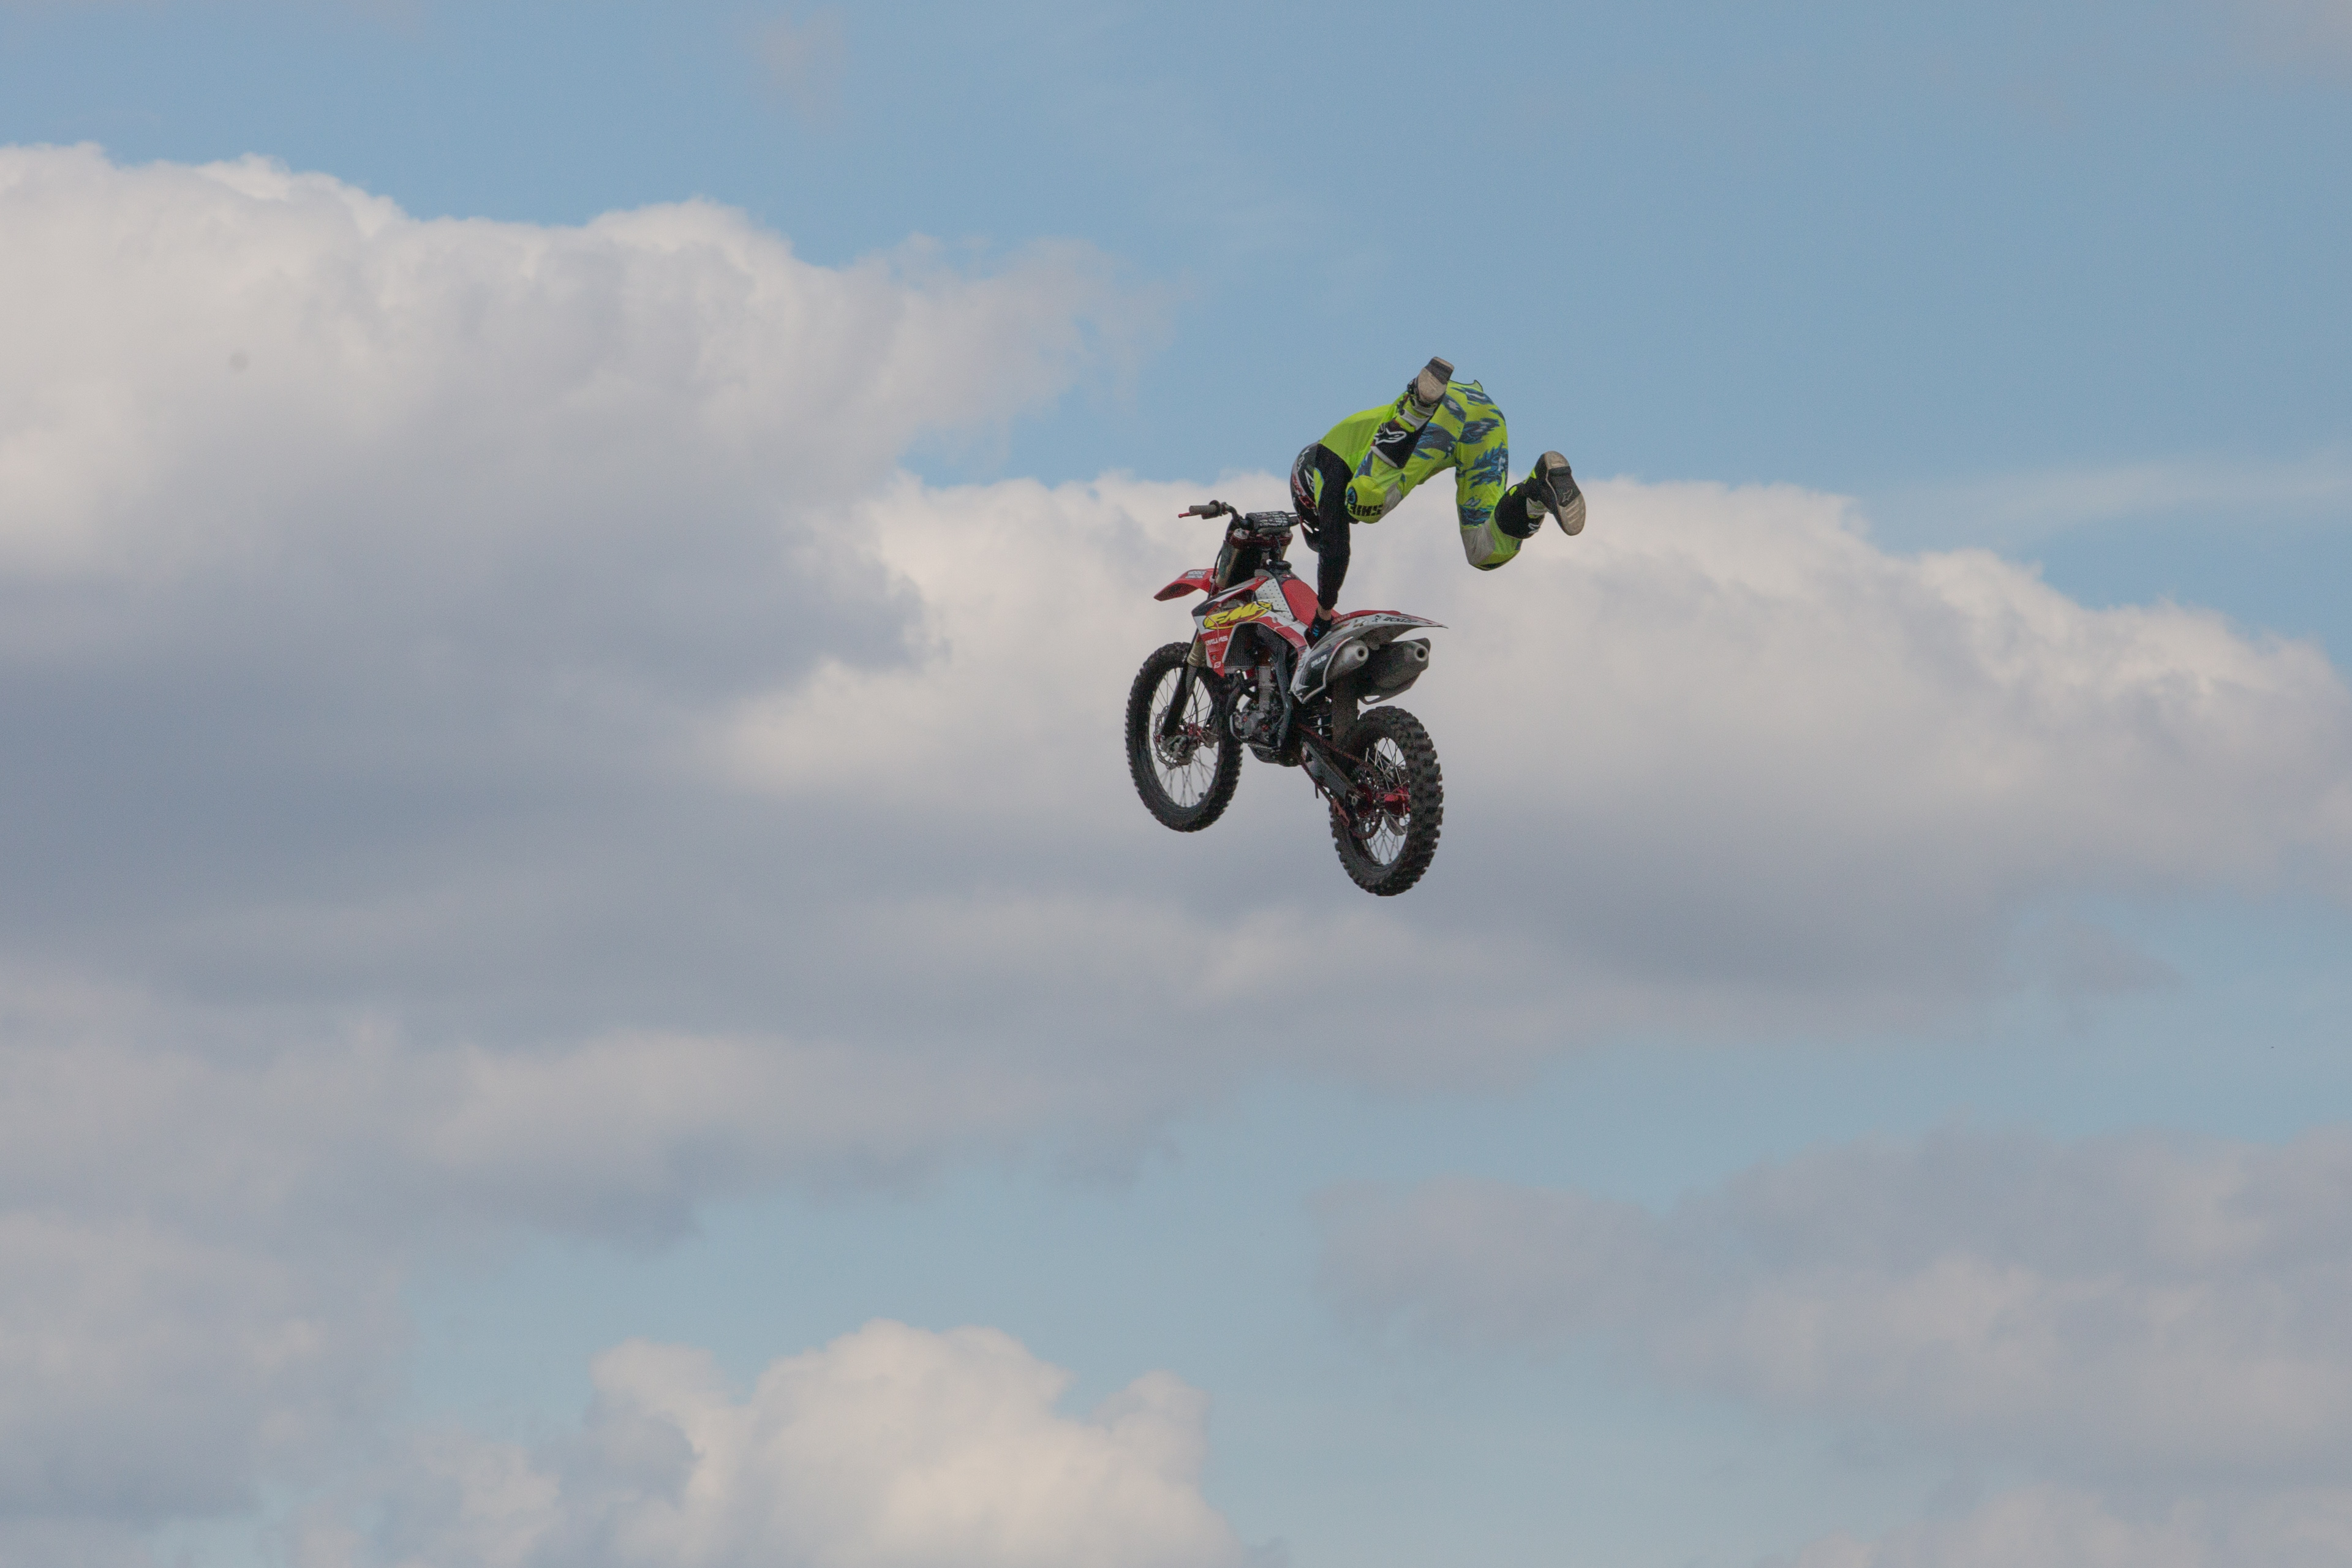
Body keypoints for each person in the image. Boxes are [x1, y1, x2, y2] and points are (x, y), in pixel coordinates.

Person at [1288, 357, 1584, 628]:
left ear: (1307, 488)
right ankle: (1535, 494)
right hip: (1484, 412)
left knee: (1362, 504)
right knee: (1484, 551)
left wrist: (1323, 615)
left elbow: (1335, 547)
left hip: (1442, 408)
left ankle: (1418, 407)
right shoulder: (1360, 446)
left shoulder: (1325, 459)